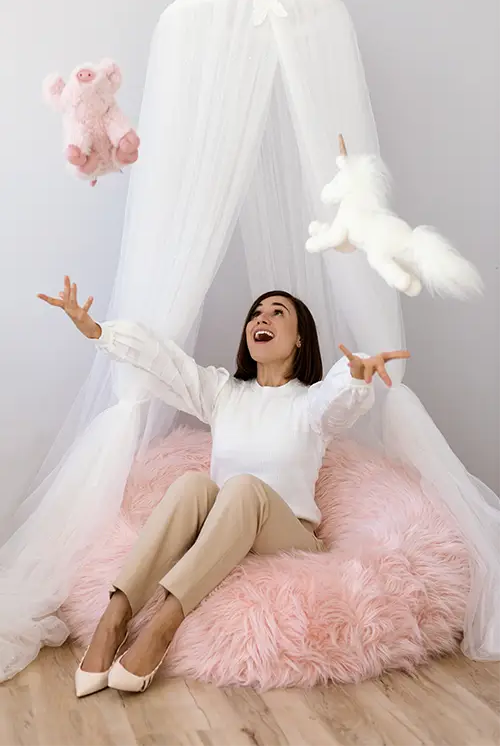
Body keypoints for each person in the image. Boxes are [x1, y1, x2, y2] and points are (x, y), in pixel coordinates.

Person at [38, 276, 410, 697]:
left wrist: (356, 375)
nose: (260, 319)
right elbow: (165, 363)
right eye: (255, 314)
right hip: (224, 527)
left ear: (301, 338)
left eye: (276, 313)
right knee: (193, 485)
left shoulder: (311, 403)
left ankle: (165, 623)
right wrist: (99, 331)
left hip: (286, 536)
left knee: (244, 488)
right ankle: (116, 615)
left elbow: (339, 404)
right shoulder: (225, 393)